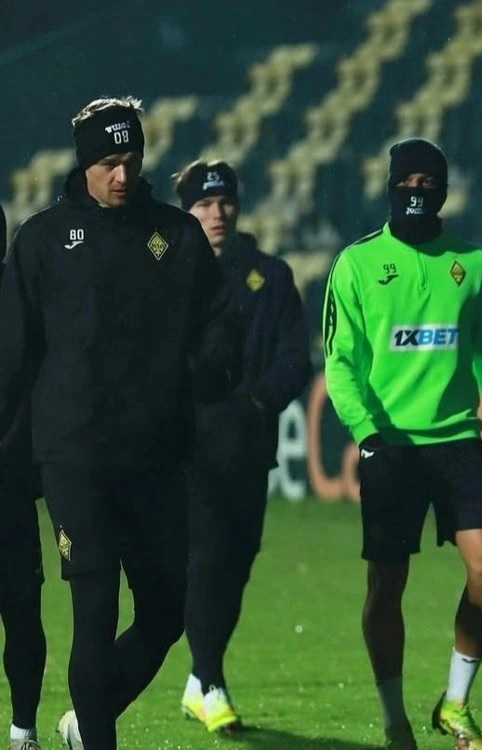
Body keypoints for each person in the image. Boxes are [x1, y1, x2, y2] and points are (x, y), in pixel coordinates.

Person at [0, 96, 242, 750]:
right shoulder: (42, 241)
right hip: (74, 457)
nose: (123, 174)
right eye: (109, 161)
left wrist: (212, 365)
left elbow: (218, 319)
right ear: (84, 163)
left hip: (157, 458)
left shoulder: (176, 235)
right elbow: (13, 356)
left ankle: (86, 723)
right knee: (95, 612)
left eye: (132, 159)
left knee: (165, 611)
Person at [322, 137, 482, 750]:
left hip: (458, 440)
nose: (415, 192)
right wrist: (367, 434)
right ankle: (395, 720)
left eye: (427, 183)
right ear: (389, 187)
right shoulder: (356, 264)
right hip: (391, 447)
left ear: (443, 192)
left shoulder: (473, 264)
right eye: (405, 182)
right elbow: (340, 363)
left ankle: (455, 704)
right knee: (386, 586)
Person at [171, 160, 311, 733]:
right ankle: (212, 681)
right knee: (205, 562)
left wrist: (255, 404)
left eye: (224, 201)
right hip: (188, 447)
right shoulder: (167, 272)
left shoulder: (270, 276)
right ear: (187, 212)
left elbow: (294, 359)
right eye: (204, 204)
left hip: (248, 448)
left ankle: (198, 681)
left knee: (236, 564)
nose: (217, 213)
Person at [0, 205, 47, 750]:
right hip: (13, 480)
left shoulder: (21, 299)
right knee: (21, 610)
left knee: (21, 610)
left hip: (9, 485)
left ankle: (23, 728)